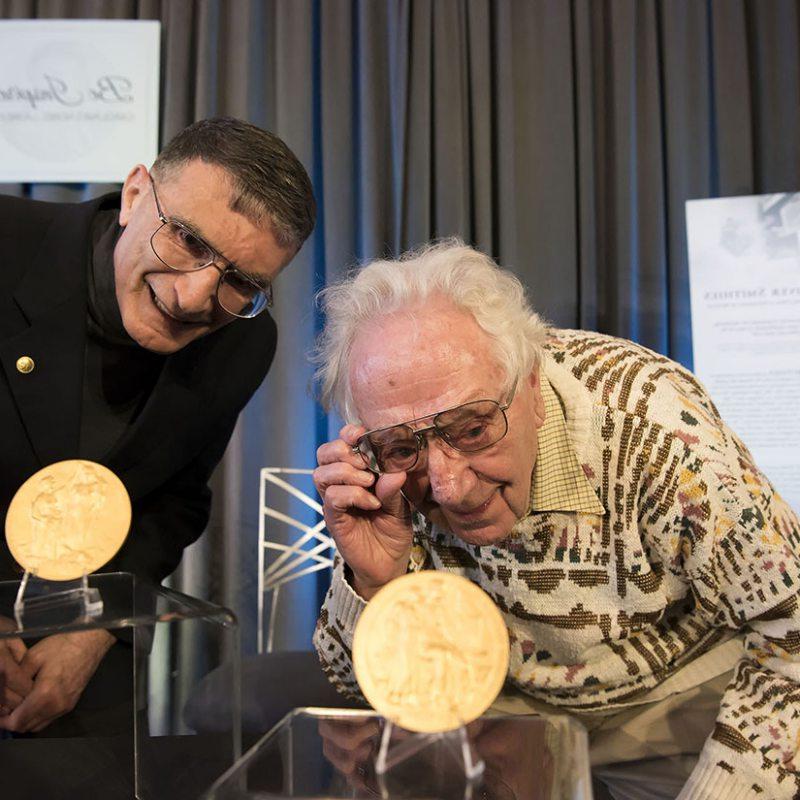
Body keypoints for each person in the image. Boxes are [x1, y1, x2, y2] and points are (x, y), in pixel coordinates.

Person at [312, 241, 800, 799]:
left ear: (534, 389)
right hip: (501, 715)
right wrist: (377, 581)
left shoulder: (656, 428)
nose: (449, 487)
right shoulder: (389, 462)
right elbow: (355, 690)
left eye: (473, 430)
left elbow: (792, 634)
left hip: (676, 705)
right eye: (402, 446)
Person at [0, 116, 316, 734]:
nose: (196, 296)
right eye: (188, 242)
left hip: (75, 642)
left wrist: (98, 629)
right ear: (136, 193)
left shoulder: (244, 340)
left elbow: (173, 503)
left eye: (242, 282)